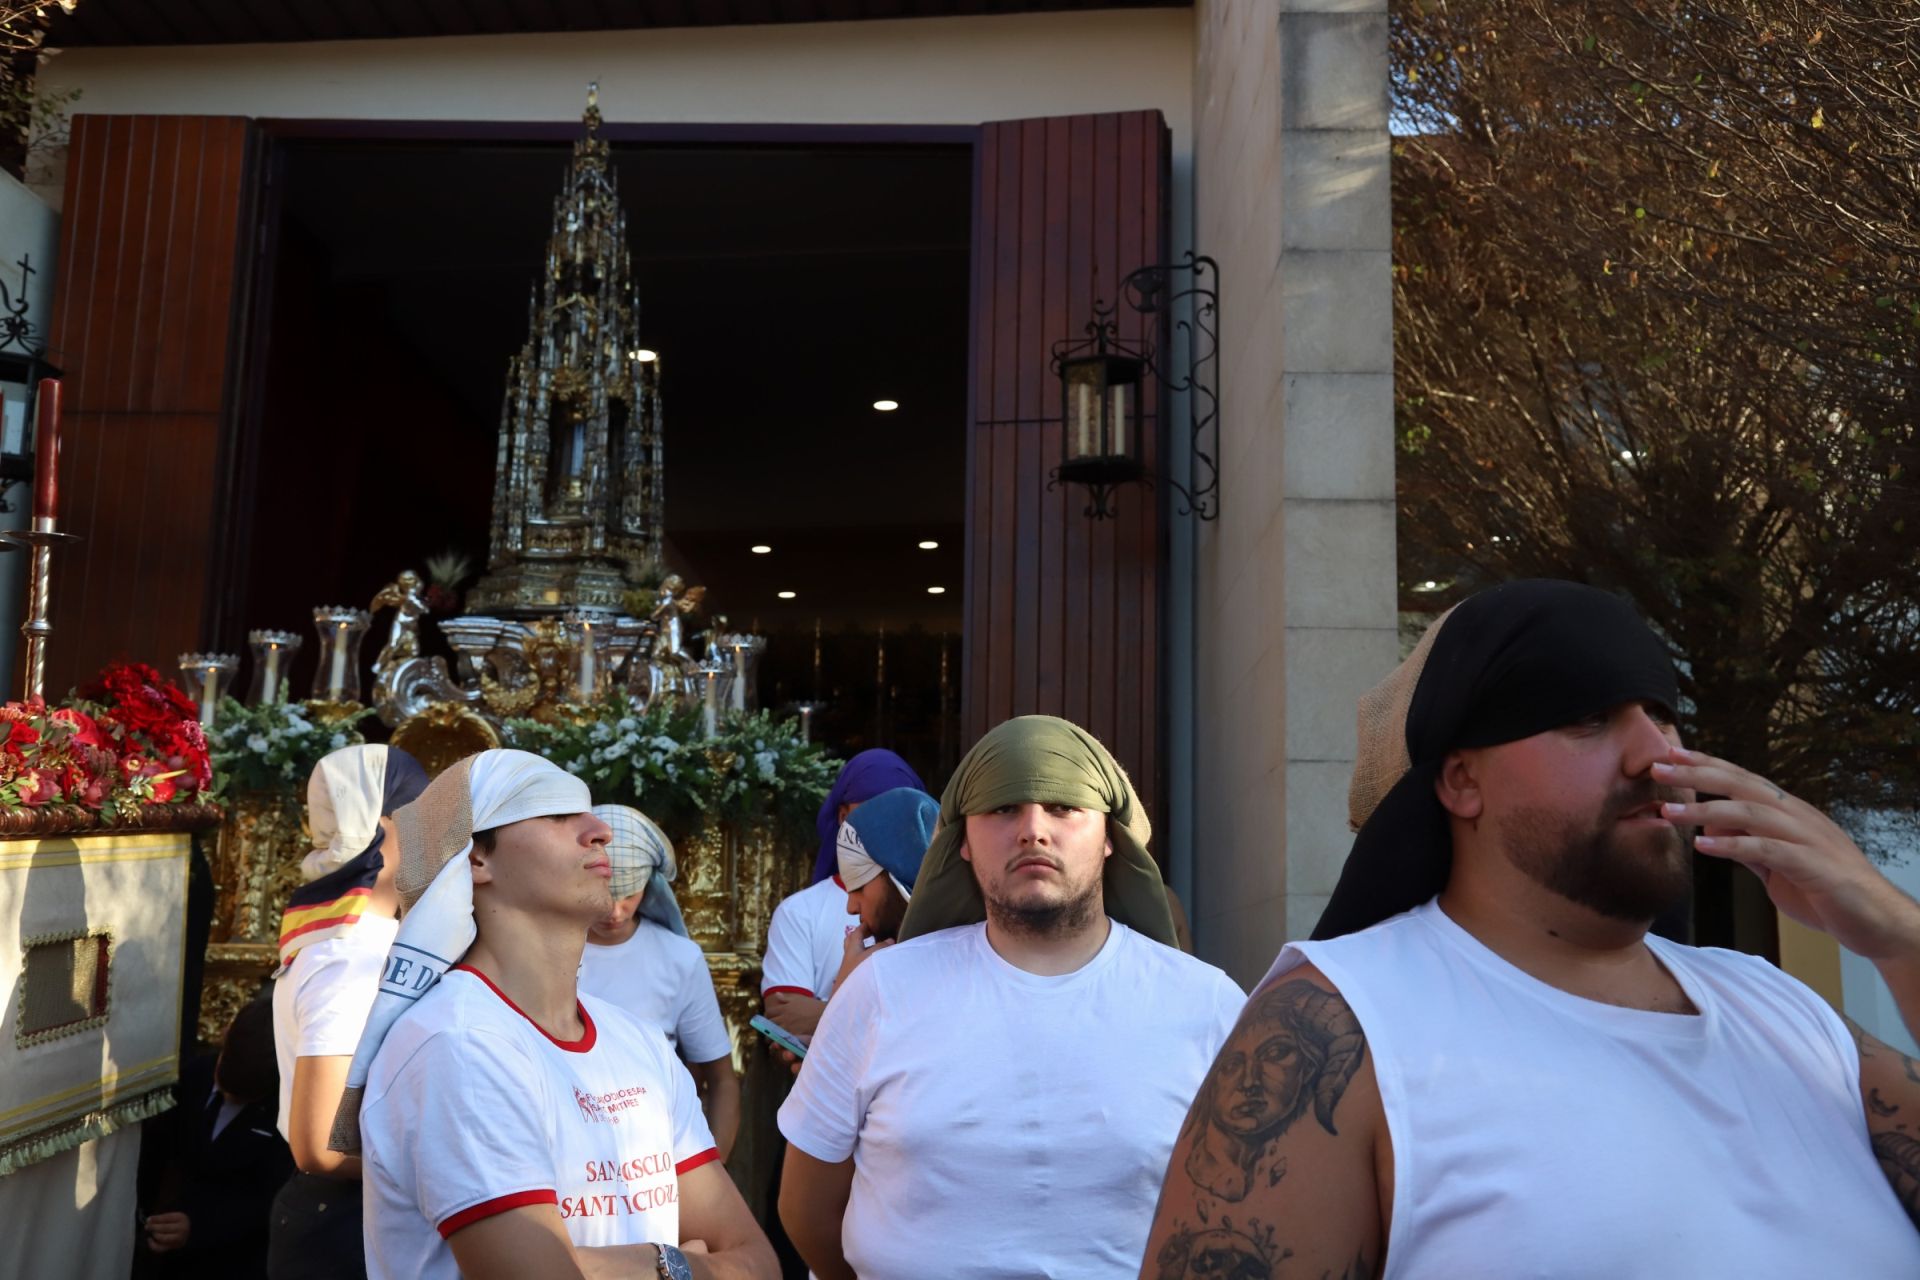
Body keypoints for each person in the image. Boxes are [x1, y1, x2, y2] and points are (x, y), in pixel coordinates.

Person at [1141, 579, 1920, 1278]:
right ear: (1461, 781)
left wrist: (1896, 936)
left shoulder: (1783, 1011)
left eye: (1663, 715)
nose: (1659, 754)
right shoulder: (1345, 1025)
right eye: (1587, 718)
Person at [778, 716, 1245, 1280]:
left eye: (1063, 807)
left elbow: (1251, 1211)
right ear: (963, 844)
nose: (1032, 830)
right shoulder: (879, 993)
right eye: (1002, 809)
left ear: (1110, 839)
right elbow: (807, 1210)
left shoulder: (1206, 1006)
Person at [335, 749, 778, 1280]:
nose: (599, 831)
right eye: (556, 812)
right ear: (476, 859)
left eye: (588, 811)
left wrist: (591, 1264)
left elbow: (758, 1263)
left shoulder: (635, 1042)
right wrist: (676, 1263)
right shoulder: (456, 1046)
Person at [267, 744, 429, 1280]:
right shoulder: (348, 958)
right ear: (383, 826)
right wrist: (440, 1171)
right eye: (424, 815)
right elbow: (321, 1148)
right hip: (339, 1223)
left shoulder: (365, 940)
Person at [578, 803, 741, 1159]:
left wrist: (713, 1172)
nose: (615, 911)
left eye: (629, 895)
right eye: (605, 895)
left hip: (656, 1157)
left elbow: (722, 1080)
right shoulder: (546, 950)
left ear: (649, 889)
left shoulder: (679, 958)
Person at [761, 749, 926, 1041]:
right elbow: (785, 1018)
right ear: (843, 817)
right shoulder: (801, 912)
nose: (881, 827)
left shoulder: (949, 924)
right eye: (872, 811)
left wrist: (834, 1013)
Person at [136, 997, 293, 1280]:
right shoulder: (193, 1076)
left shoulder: (286, 1114)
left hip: (237, 1260)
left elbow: (270, 1197)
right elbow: (156, 1155)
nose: (224, 1092)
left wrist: (199, 1226)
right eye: (222, 1075)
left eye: (240, 1096)